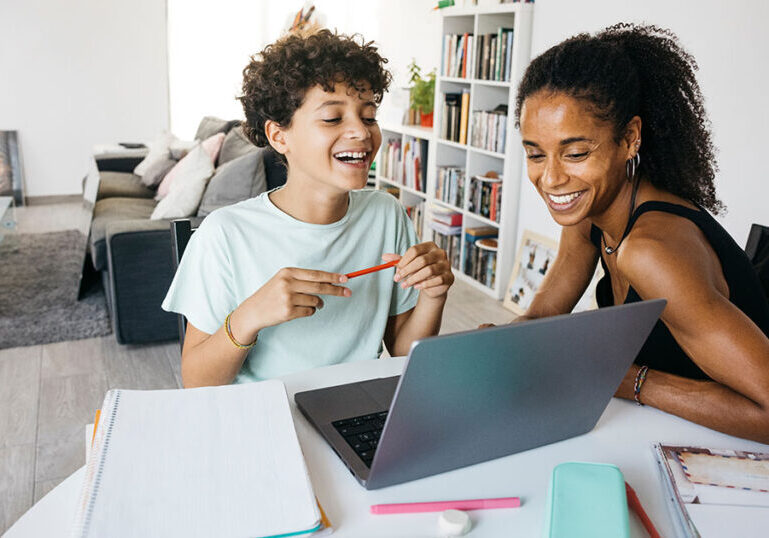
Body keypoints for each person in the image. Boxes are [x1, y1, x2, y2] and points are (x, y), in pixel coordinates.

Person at [504, 23, 769, 443]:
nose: (551, 178)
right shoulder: (589, 212)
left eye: (575, 153)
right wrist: (490, 350)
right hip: (660, 431)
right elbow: (542, 317)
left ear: (629, 139)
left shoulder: (652, 251)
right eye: (535, 154)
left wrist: (628, 381)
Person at [163, 30, 454, 387]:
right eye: (333, 118)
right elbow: (197, 383)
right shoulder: (223, 235)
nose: (361, 133)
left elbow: (403, 353)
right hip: (266, 416)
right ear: (278, 136)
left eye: (369, 116)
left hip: (354, 407)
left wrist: (433, 295)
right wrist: (250, 315)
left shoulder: (386, 214)